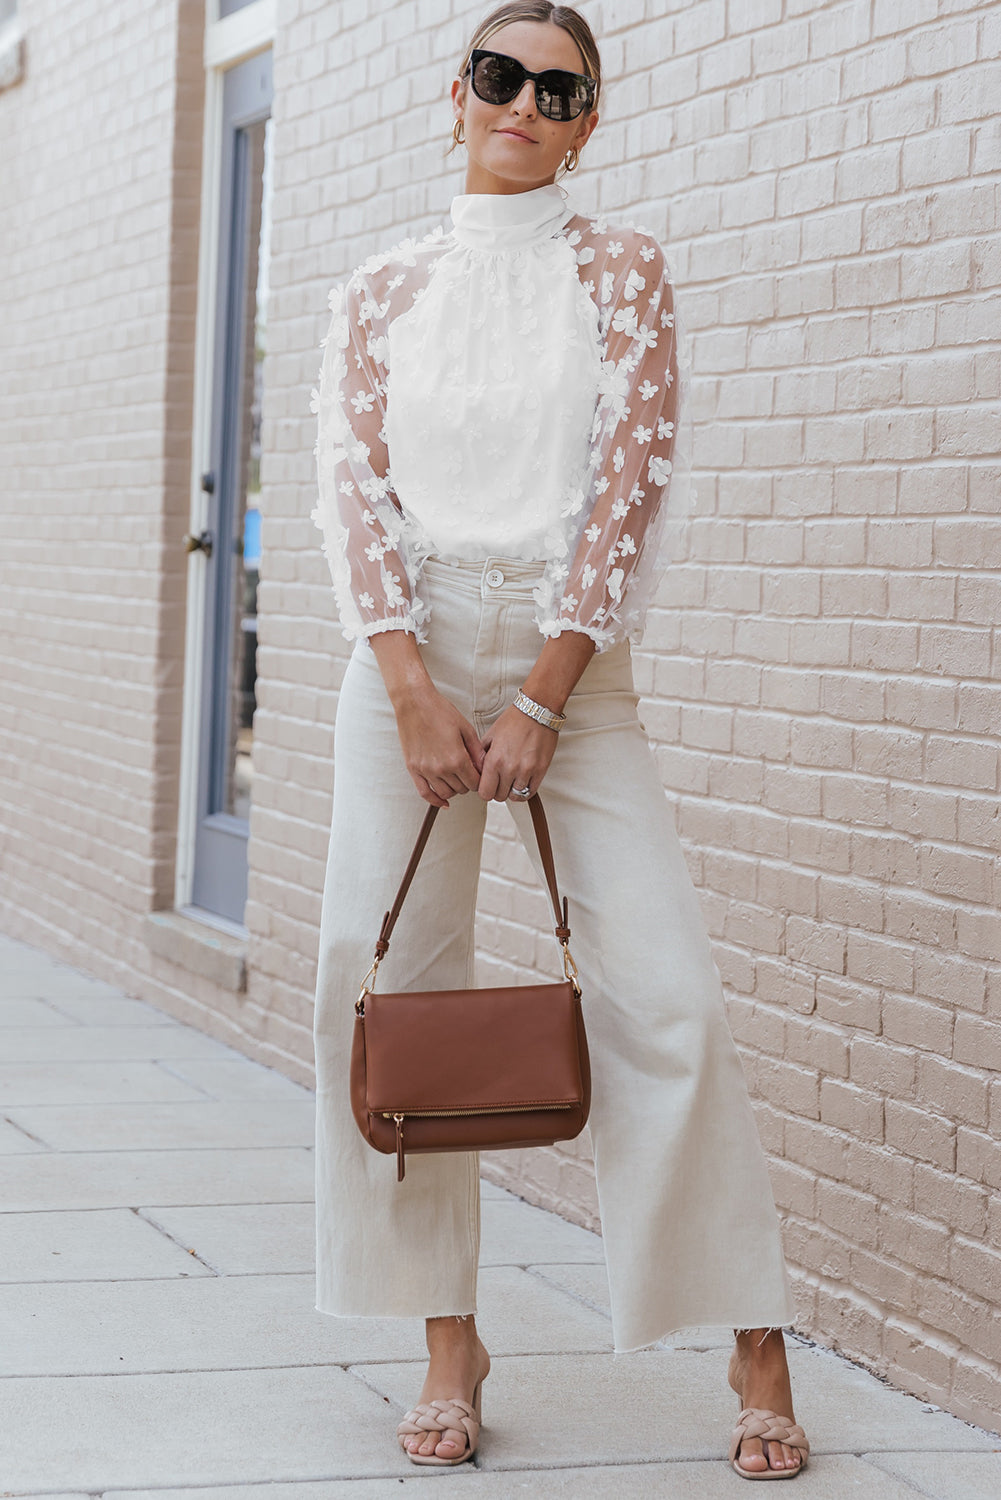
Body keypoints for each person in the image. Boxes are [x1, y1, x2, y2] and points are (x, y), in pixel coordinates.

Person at [310, 1, 810, 1480]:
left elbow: (629, 481)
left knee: (668, 996)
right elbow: (347, 484)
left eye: (558, 87)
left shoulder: (623, 271)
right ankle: (447, 1338)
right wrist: (408, 683)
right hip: (401, 651)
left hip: (568, 663)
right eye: (497, 75)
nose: (522, 102)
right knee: (394, 984)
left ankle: (750, 1336)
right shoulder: (380, 284)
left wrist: (537, 693)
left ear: (590, 119)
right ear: (452, 95)